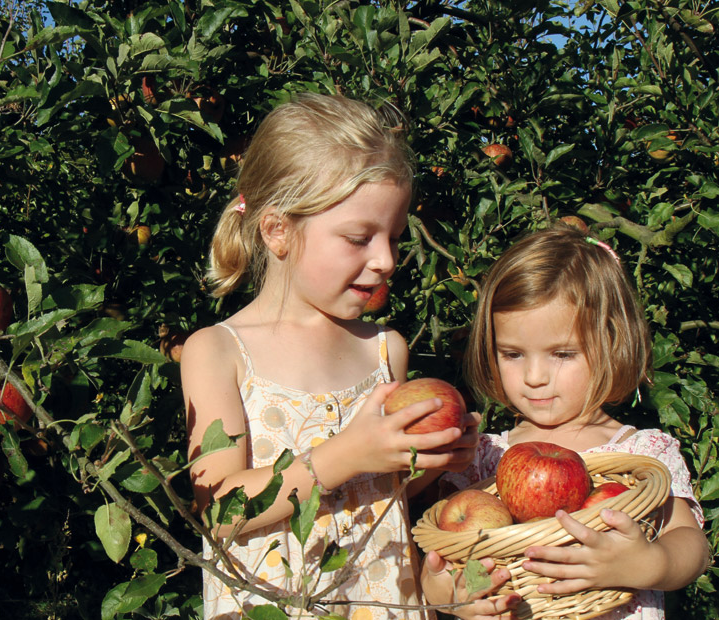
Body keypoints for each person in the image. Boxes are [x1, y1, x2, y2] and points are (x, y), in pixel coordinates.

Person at [181, 93, 480, 620]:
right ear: (278, 230)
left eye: (392, 237)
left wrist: (431, 462)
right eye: (359, 238)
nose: (386, 259)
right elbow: (221, 510)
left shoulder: (384, 349)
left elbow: (384, 500)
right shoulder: (219, 351)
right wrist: (347, 455)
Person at [431, 226, 710, 620]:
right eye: (512, 354)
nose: (534, 376)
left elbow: (692, 545)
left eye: (562, 354)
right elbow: (441, 556)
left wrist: (650, 564)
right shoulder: (485, 457)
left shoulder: (641, 453)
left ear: (612, 344)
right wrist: (447, 593)